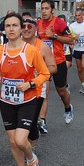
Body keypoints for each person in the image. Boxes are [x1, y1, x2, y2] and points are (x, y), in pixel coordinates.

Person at [0, 13, 50, 166]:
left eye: (15, 25)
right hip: (6, 101)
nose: (11, 29)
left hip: (27, 101)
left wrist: (30, 83)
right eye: (8, 26)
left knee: (21, 140)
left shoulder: (30, 51)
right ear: (4, 29)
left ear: (21, 28)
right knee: (13, 142)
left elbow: (45, 74)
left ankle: (32, 159)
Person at [36, 0, 74, 126]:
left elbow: (70, 40)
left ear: (52, 10)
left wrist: (55, 36)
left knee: (62, 92)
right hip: (43, 64)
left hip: (58, 62)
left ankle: (68, 108)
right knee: (43, 92)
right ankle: (42, 121)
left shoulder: (59, 23)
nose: (44, 11)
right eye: (42, 8)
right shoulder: (38, 24)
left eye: (46, 8)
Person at [21, 17, 57, 148]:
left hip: (36, 89)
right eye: (23, 26)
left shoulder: (43, 46)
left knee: (29, 122)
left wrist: (40, 74)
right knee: (19, 122)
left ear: (36, 28)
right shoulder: (15, 44)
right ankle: (23, 144)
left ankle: (32, 149)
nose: (26, 29)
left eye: (29, 26)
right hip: (18, 89)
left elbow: (53, 67)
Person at [69, 8, 84, 95]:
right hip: (77, 49)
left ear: (83, 16)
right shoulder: (72, 26)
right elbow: (69, 38)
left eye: (79, 15)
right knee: (79, 69)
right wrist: (74, 38)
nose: (77, 17)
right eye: (76, 16)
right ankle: (83, 84)